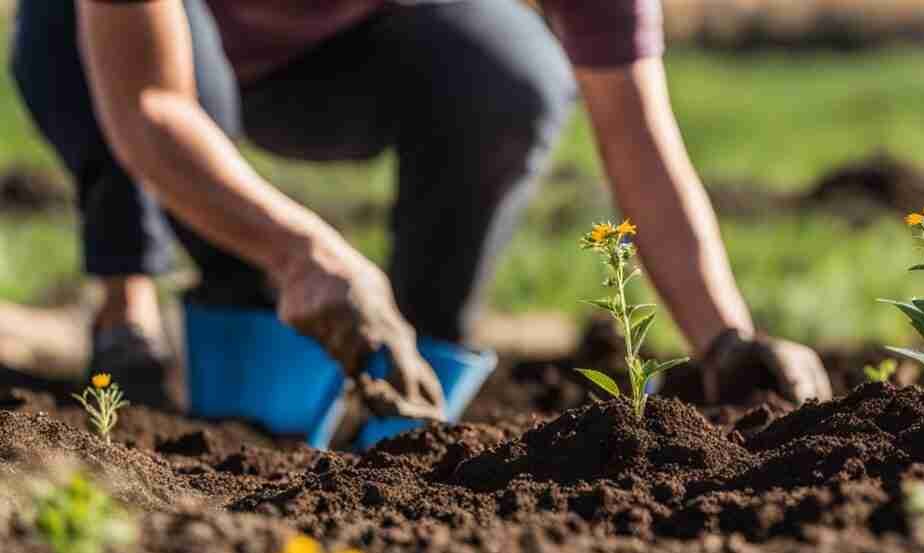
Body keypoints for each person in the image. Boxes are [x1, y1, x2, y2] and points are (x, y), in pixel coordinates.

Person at [10, 0, 831, 419]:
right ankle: (139, 305)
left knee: (509, 78)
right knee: (72, 41)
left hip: (345, 61)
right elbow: (149, 102)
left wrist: (725, 338)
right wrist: (296, 251)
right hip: (133, 54)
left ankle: (410, 378)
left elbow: (637, 130)